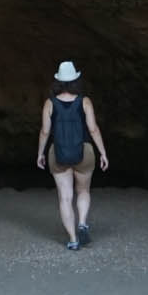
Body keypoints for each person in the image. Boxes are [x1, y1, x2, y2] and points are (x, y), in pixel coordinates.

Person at [37, 61, 108, 250]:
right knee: (83, 191)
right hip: (84, 152)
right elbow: (93, 129)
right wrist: (103, 152)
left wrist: (40, 153)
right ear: (76, 80)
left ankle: (73, 240)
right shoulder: (84, 101)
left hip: (58, 153)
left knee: (65, 198)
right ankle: (82, 222)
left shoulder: (49, 103)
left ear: (58, 81)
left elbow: (45, 131)